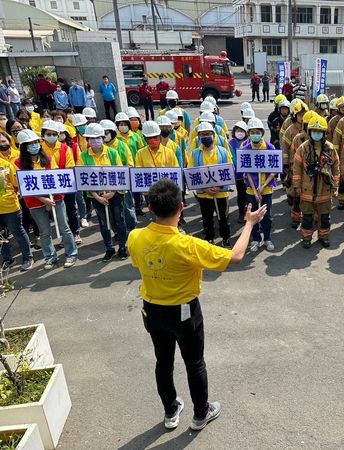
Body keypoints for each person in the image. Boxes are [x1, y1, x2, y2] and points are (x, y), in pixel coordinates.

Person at [127, 177, 267, 430]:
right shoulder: (187, 245)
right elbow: (235, 256)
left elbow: (138, 264)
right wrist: (249, 224)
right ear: (182, 206)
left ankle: (171, 411)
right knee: (195, 363)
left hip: (152, 310)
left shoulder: (135, 237)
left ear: (150, 208)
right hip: (184, 311)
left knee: (163, 362)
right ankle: (200, 414)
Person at [16, 129, 77, 269]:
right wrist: (44, 200)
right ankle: (50, 257)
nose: (34, 145)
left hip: (56, 199)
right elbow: (24, 186)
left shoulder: (48, 159)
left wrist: (51, 200)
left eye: (36, 142)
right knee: (44, 232)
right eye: (30, 143)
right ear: (23, 147)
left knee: (64, 227)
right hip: (35, 203)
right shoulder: (18, 163)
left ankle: (71, 254)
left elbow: (56, 179)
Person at [77, 123, 129, 261]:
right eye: (91, 139)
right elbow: (83, 178)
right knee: (104, 223)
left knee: (119, 220)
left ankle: (123, 247)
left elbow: (119, 173)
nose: (95, 141)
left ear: (102, 138)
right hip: (96, 195)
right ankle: (109, 248)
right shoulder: (84, 156)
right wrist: (96, 196)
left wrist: (112, 192)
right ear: (87, 140)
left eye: (98, 138)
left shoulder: (112, 153)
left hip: (115, 193)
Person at [292, 115, 339, 248]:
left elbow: (336, 167)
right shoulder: (303, 148)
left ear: (323, 133)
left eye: (319, 132)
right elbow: (297, 169)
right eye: (314, 131)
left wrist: (335, 185)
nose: (316, 134)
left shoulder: (330, 148)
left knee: (325, 217)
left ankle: (323, 237)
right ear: (309, 131)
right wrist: (297, 186)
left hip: (325, 190)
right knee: (307, 217)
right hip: (307, 190)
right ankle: (306, 238)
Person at [189, 122, 232, 246]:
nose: (205, 137)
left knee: (223, 217)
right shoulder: (195, 153)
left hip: (221, 192)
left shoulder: (223, 151)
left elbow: (229, 170)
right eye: (202, 135)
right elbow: (192, 173)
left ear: (213, 135)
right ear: (198, 137)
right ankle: (209, 238)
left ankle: (226, 237)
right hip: (204, 193)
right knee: (207, 218)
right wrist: (205, 187)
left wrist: (219, 186)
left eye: (207, 134)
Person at [40, 120, 82, 245]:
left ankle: (75, 233)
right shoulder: (40, 149)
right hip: (48, 185)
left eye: (54, 134)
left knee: (71, 209)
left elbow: (70, 166)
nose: (51, 136)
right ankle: (65, 236)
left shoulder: (65, 148)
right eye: (48, 133)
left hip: (65, 183)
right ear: (43, 135)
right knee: (57, 214)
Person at [0, 131, 33, 271]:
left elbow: (16, 184)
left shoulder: (5, 165)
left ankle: (28, 257)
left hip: (10, 207)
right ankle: (8, 260)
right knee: (2, 236)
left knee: (18, 232)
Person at [242, 118, 277, 252]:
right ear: (249, 133)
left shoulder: (270, 147)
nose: (255, 134)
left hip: (266, 189)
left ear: (262, 133)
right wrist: (256, 191)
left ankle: (267, 238)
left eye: (257, 132)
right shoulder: (245, 149)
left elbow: (274, 169)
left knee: (266, 216)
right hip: (251, 191)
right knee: (253, 216)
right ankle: (255, 239)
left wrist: (263, 186)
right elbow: (247, 173)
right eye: (252, 132)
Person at [100, 119, 137, 232]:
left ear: (112, 132)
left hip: (122, 182)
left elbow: (130, 164)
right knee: (111, 210)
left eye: (107, 133)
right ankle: (117, 231)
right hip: (106, 186)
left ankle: (132, 229)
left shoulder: (122, 146)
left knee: (127, 208)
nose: (105, 136)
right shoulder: (99, 148)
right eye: (103, 134)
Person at [282, 101, 308, 228]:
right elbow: (284, 148)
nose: (302, 116)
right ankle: (296, 218)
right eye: (299, 114)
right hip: (294, 166)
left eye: (304, 114)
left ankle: (306, 216)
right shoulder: (290, 130)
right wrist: (285, 164)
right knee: (294, 193)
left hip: (307, 168)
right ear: (295, 115)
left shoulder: (310, 129)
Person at [229, 121, 250, 224]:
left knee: (250, 195)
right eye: (238, 130)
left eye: (242, 131)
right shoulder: (231, 143)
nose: (240, 133)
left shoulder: (249, 142)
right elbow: (232, 158)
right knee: (241, 194)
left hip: (251, 174)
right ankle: (241, 213)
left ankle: (250, 213)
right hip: (239, 175)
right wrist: (241, 167)